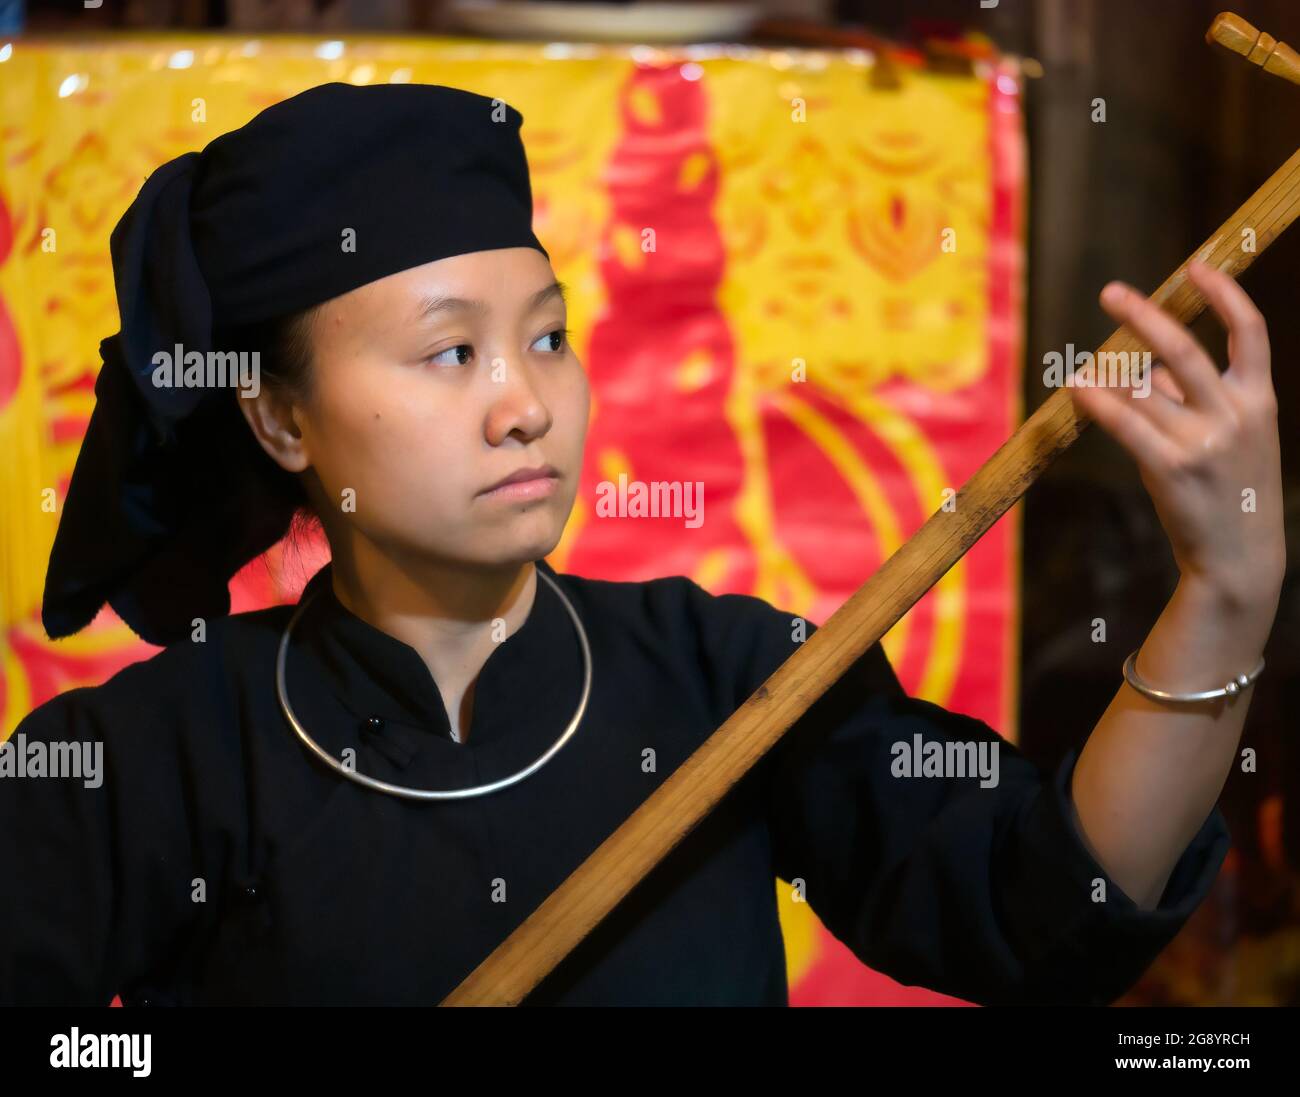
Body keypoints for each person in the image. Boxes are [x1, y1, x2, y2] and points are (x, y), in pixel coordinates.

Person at [0, 81, 1282, 1007]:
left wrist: (1224, 595)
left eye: (548, 336)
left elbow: (1044, 906)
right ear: (282, 418)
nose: (525, 400)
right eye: (453, 351)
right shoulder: (143, 756)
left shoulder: (731, 679)